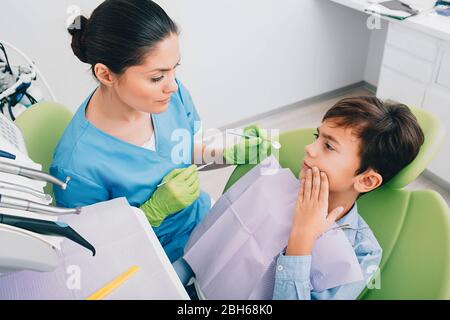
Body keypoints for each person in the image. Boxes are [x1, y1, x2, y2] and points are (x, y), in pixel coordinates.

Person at [50, 0, 269, 263]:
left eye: (175, 68)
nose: (173, 85)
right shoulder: (77, 166)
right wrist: (151, 213)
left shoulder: (168, 97)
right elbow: (94, 251)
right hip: (152, 260)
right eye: (157, 77)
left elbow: (181, 151)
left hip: (203, 224)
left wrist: (225, 152)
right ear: (106, 75)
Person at [174, 96, 425, 299]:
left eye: (329, 146)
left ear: (366, 180)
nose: (309, 148)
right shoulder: (275, 185)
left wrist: (301, 240)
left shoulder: (362, 254)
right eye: (318, 137)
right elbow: (206, 249)